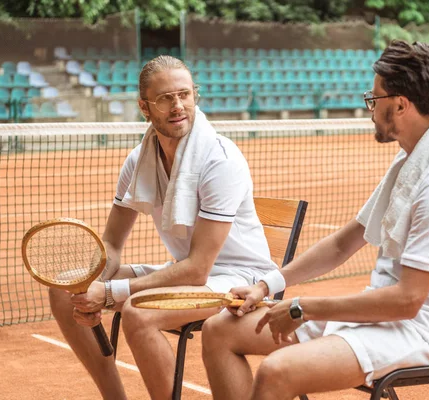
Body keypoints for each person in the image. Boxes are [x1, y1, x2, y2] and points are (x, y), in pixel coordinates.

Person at [201, 40, 429, 400]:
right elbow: (344, 242)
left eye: (374, 99)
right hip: (379, 315)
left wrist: (303, 307)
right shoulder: (410, 163)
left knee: (278, 372)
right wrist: (266, 285)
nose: (369, 108)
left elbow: (407, 301)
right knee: (218, 331)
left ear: (401, 104)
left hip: (420, 332)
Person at [49, 55, 278, 400]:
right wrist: (91, 291)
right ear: (144, 107)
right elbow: (111, 243)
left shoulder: (220, 160)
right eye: (165, 98)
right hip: (185, 274)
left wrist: (109, 293)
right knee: (64, 290)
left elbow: (198, 269)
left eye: (184, 94)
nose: (177, 106)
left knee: (138, 312)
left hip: (240, 279)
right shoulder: (139, 159)